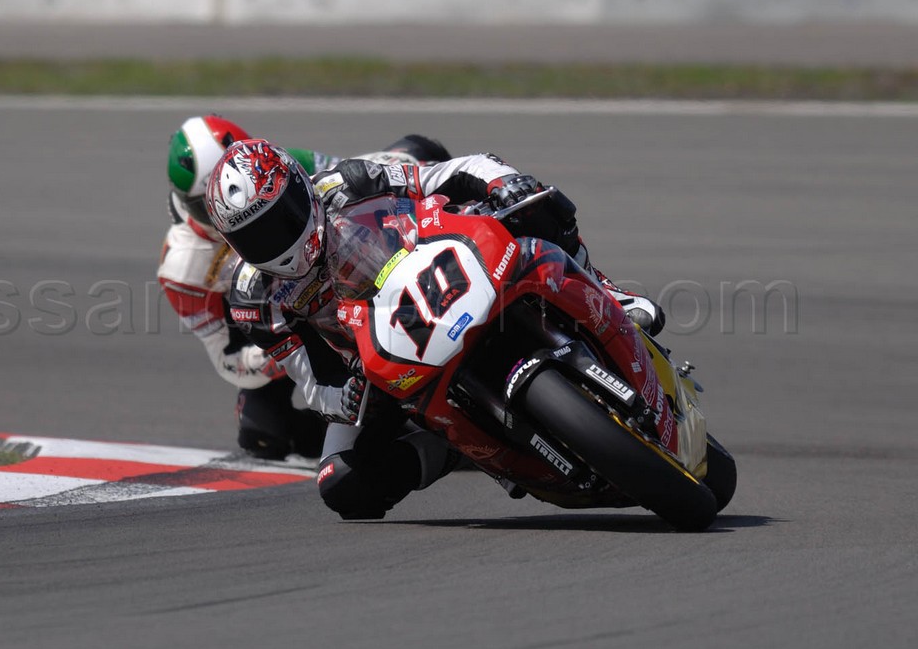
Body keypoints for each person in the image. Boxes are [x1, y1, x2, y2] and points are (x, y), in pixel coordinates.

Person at [206, 139, 665, 518]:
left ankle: (611, 295)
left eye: (282, 217)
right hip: (379, 362)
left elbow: (447, 173)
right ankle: (452, 445)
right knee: (343, 484)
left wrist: (502, 182)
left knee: (532, 204)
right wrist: (342, 397)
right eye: (256, 236)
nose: (277, 239)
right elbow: (309, 378)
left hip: (441, 275)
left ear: (300, 189)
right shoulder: (255, 296)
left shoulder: (349, 182)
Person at [158, 114, 452, 460]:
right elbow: (226, 358)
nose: (227, 210)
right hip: (278, 324)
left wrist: (404, 166)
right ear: (184, 203)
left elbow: (346, 177)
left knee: (418, 149)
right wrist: (283, 350)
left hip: (340, 270)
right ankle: (387, 438)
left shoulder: (271, 166)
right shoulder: (181, 269)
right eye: (206, 206)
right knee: (262, 429)